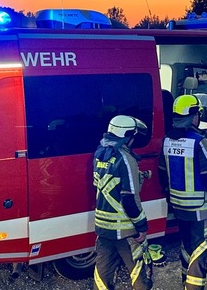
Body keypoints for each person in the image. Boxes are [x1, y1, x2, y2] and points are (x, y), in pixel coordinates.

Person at [159, 94, 207, 290]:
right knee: (201, 250)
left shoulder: (166, 141)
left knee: (187, 247)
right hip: (201, 210)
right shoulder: (199, 142)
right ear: (192, 116)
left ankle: (185, 282)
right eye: (198, 114)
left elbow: (162, 175)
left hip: (179, 208)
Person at [92, 115, 152, 290]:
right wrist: (141, 226)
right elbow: (129, 198)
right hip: (125, 229)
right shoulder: (126, 159)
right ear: (127, 136)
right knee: (139, 272)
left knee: (102, 275)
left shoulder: (100, 154)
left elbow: (106, 184)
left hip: (103, 226)